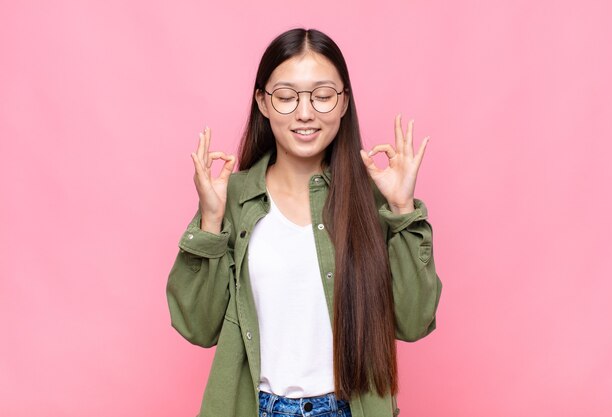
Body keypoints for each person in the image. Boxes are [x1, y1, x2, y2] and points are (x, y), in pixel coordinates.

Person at [166, 28, 442, 417]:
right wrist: (211, 220)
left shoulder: (373, 198)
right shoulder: (232, 197)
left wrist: (402, 209)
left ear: (344, 102)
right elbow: (197, 326)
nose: (305, 112)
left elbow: (414, 322)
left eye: (323, 95)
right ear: (262, 102)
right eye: (286, 96)